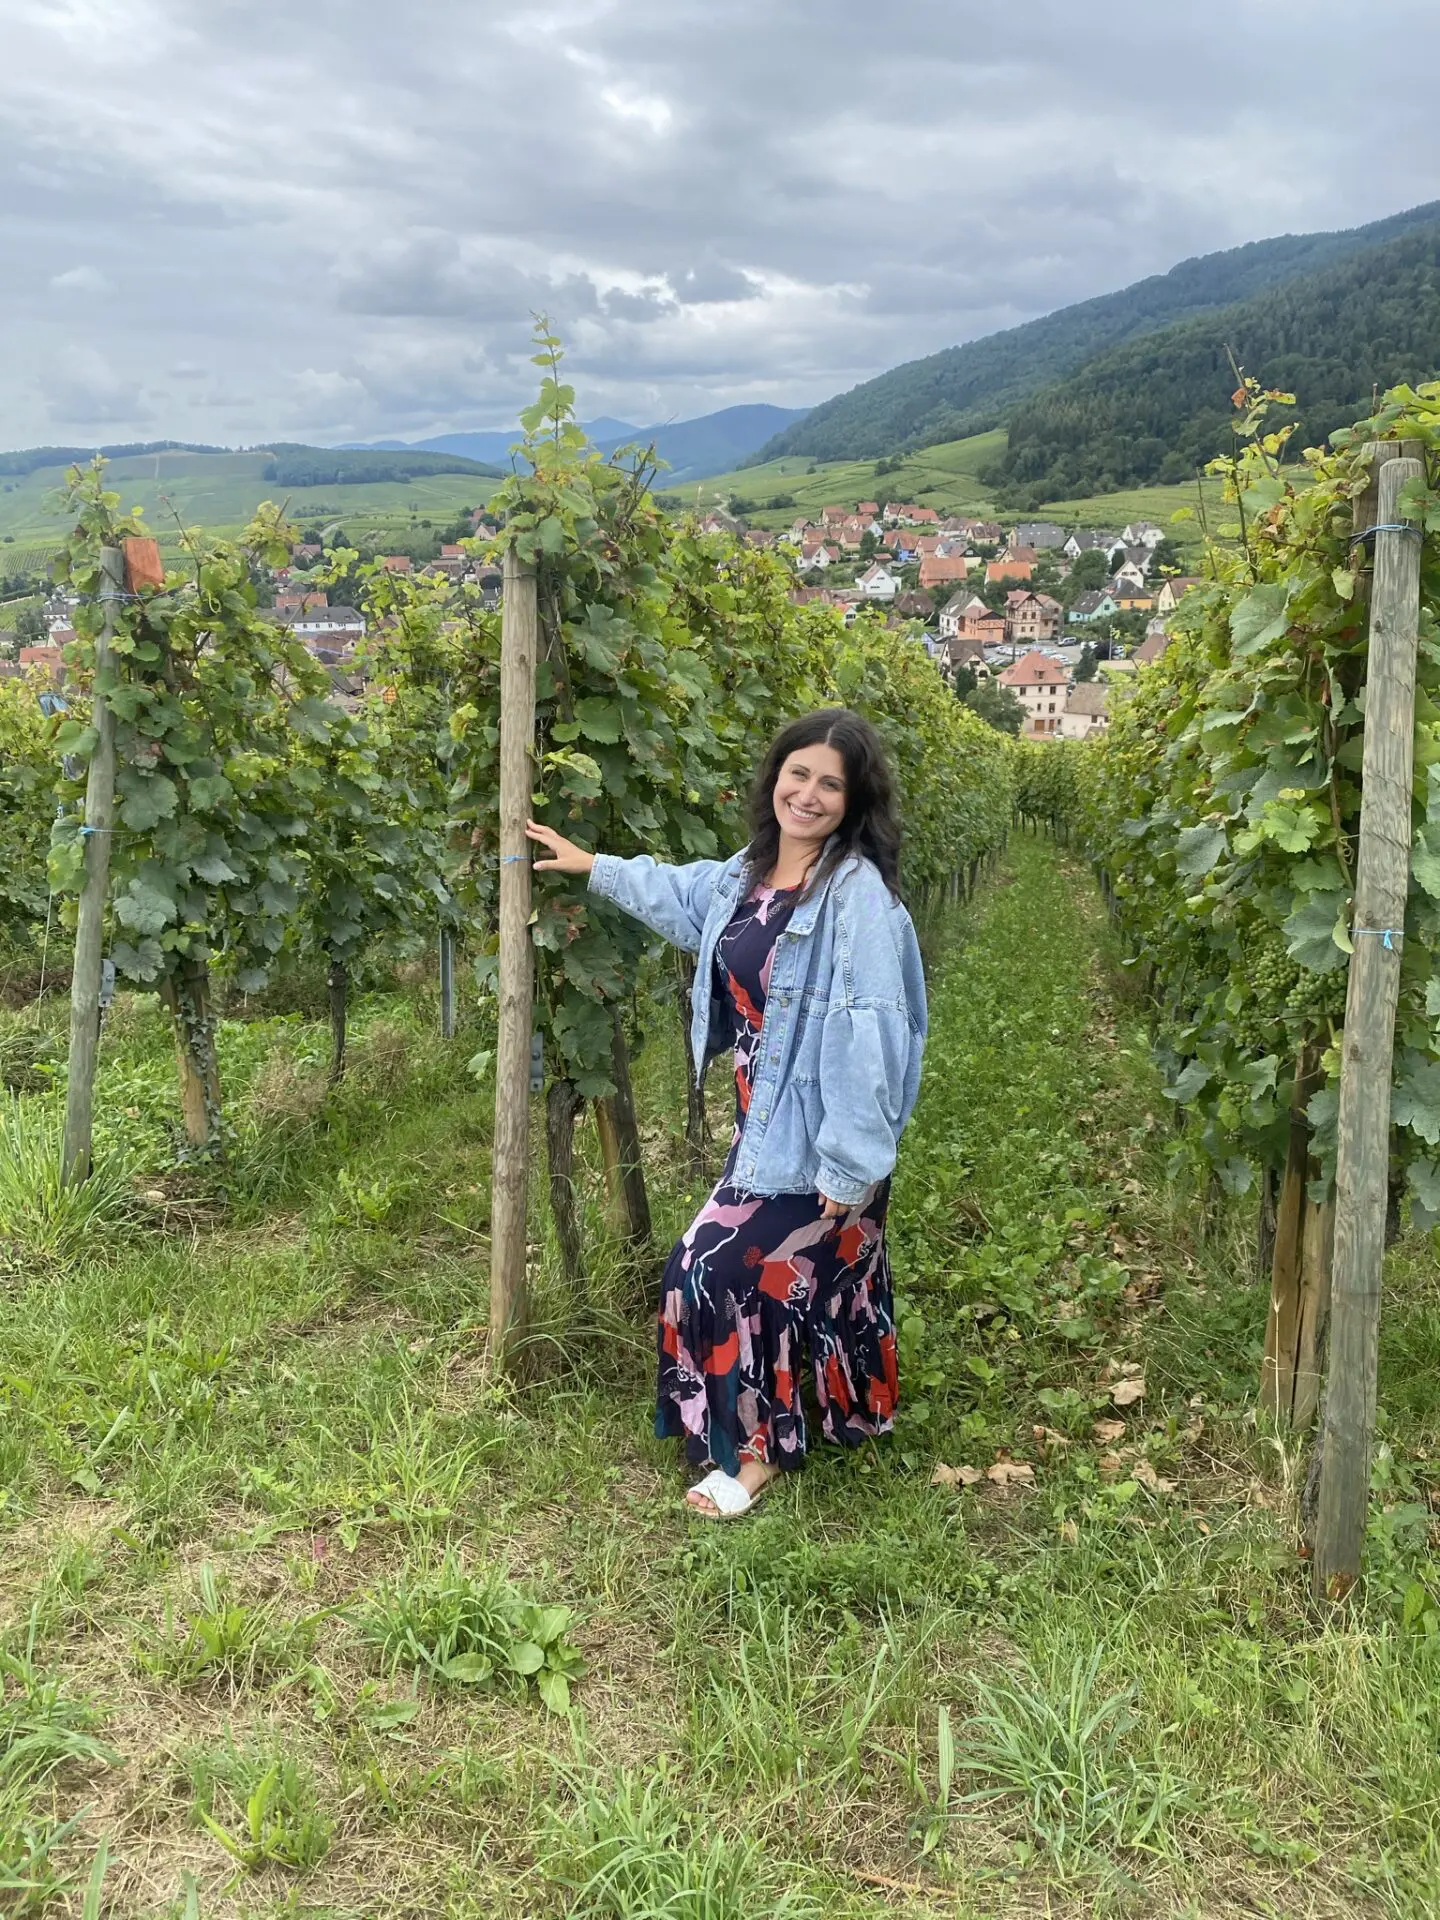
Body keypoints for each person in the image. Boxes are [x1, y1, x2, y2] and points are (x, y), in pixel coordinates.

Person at [524, 708, 927, 1519]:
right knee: (806, 1273)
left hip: (821, 1144)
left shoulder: (858, 903)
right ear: (775, 776)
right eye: (798, 773)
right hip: (764, 1129)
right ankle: (837, 1407)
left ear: (854, 802)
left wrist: (849, 1166)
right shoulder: (748, 873)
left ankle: (757, 1453)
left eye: (830, 784)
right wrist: (591, 865)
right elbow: (682, 896)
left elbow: (875, 1033)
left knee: (714, 1266)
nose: (808, 795)